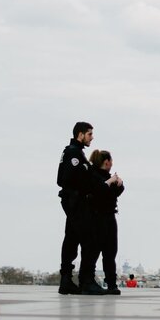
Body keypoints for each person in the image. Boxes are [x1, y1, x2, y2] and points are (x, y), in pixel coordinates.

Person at [57, 122, 116, 295]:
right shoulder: (73, 153)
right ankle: (86, 281)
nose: (92, 137)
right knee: (90, 240)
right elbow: (69, 178)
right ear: (80, 135)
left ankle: (67, 280)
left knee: (72, 239)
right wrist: (100, 185)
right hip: (76, 201)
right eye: (89, 134)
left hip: (74, 200)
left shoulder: (75, 152)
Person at [87, 149, 124, 295]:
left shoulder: (107, 177)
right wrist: (110, 183)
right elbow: (99, 191)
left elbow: (114, 193)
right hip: (97, 217)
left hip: (109, 216)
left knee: (110, 252)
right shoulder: (94, 175)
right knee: (96, 251)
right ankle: (90, 281)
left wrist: (119, 184)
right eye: (111, 161)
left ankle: (111, 283)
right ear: (107, 162)